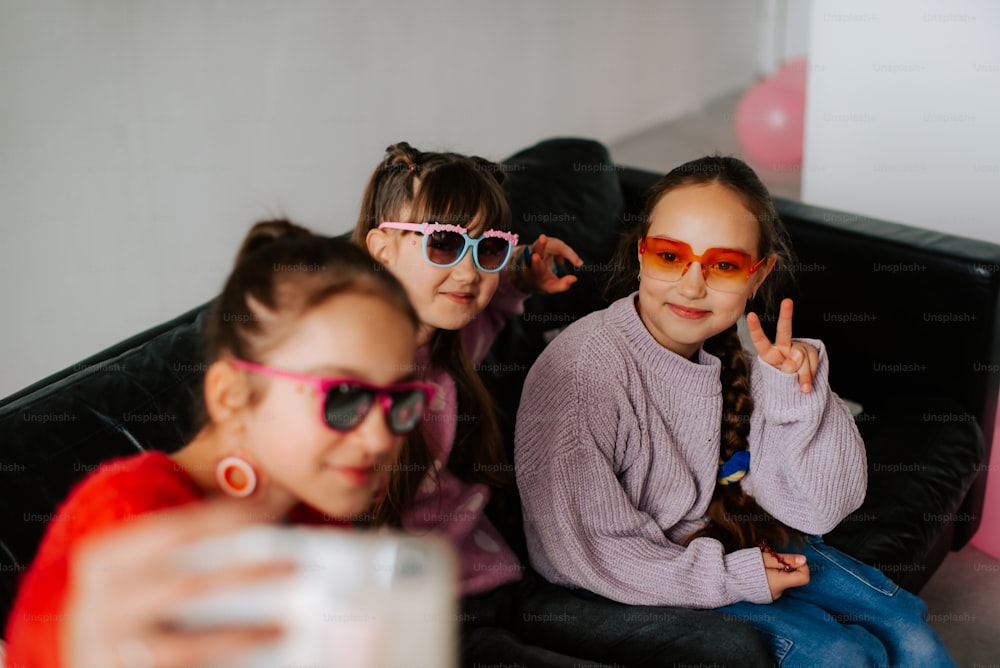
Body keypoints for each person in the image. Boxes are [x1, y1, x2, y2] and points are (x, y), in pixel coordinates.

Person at [514, 155, 956, 667]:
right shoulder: (582, 371)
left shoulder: (741, 363)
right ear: (640, 254)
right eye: (669, 256)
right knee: (841, 655)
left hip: (734, 544)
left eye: (723, 265)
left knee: (910, 631)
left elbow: (818, 511)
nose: (692, 285)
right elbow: (583, 551)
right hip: (641, 578)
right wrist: (731, 576)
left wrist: (798, 395)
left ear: (758, 273)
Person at [354, 142, 775, 667]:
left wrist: (517, 280)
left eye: (487, 249)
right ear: (381, 248)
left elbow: (481, 315)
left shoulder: (447, 342)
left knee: (732, 649)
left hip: (507, 584)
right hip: (430, 624)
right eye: (443, 244)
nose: (468, 274)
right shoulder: (349, 382)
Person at [4, 220, 435, 668]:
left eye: (399, 400)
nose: (382, 435)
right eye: (346, 397)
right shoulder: (129, 516)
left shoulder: (314, 514)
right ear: (231, 396)